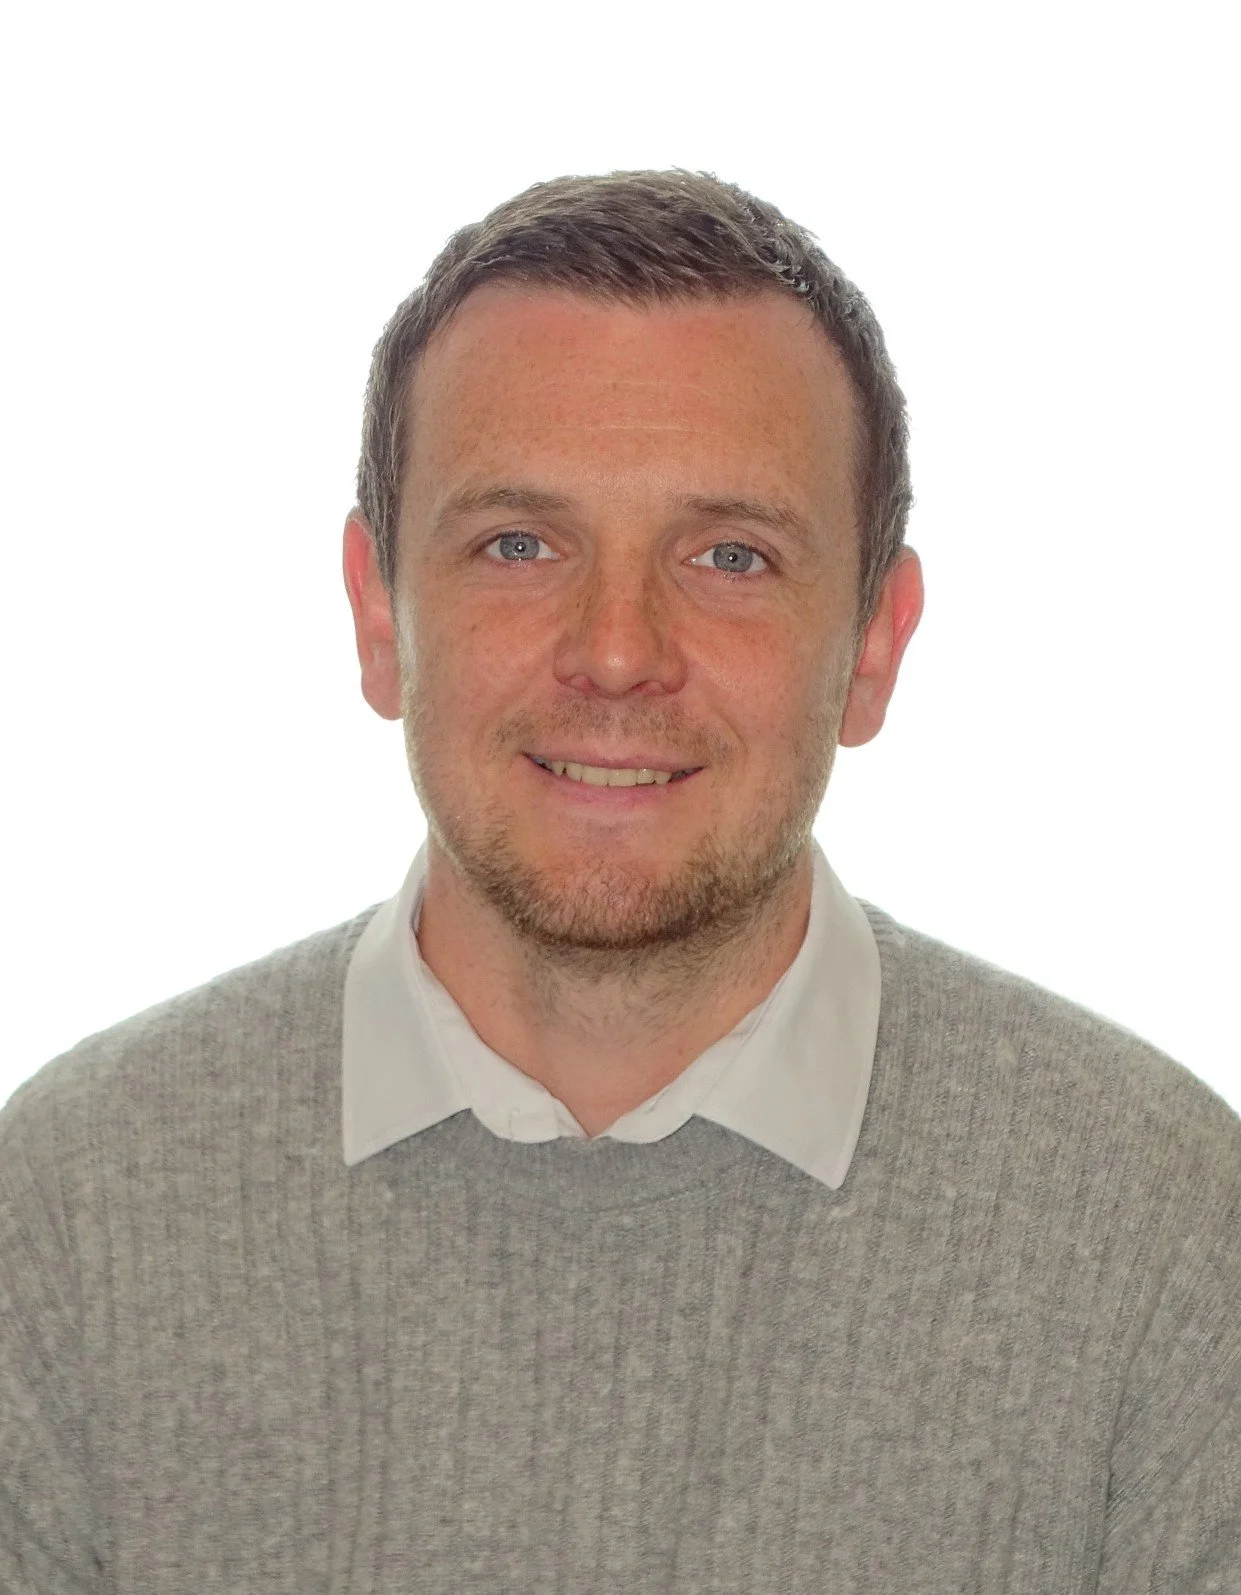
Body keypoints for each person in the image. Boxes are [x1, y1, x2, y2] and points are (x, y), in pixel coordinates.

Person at [1, 169, 1237, 1594]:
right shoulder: (73, 1215)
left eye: (730, 555)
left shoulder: (1161, 1238)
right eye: (519, 544)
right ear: (378, 612)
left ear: (875, 645)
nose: (616, 651)